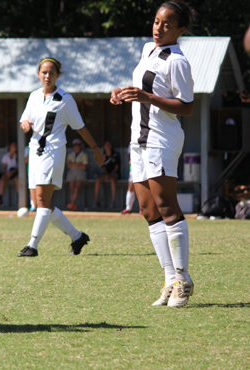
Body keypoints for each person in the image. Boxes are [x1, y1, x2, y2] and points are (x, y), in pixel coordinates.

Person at [111, 0, 196, 307]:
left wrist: (148, 97)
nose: (159, 28)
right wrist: (123, 92)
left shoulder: (177, 61)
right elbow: (143, 87)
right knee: (147, 209)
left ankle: (183, 280)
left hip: (162, 138)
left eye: (167, 24)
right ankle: (169, 279)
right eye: (157, 21)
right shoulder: (149, 49)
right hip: (139, 139)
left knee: (166, 205)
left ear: (181, 30)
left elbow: (187, 106)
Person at [17, 57, 104, 258]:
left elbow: (80, 127)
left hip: (53, 152)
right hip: (35, 151)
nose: (47, 76)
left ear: (58, 75)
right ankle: (77, 236)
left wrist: (96, 149)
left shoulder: (65, 99)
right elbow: (24, 120)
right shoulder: (34, 96)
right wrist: (25, 125)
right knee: (40, 203)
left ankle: (32, 246)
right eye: (44, 72)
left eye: (51, 73)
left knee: (42, 200)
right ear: (38, 74)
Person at [94, 140, 120, 210]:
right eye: (106, 145)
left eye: (109, 145)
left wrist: (110, 175)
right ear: (104, 147)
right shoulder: (103, 155)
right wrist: (106, 174)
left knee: (112, 180)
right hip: (106, 174)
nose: (107, 146)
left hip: (114, 174)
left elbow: (116, 168)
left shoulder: (115, 155)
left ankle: (113, 201)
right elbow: (104, 168)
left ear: (111, 146)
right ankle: (96, 201)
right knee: (98, 180)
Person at [65, 138, 88, 211]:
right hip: (71, 172)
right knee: (71, 188)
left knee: (76, 187)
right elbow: (68, 165)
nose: (77, 146)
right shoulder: (70, 154)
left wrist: (73, 164)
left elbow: (84, 167)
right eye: (75, 145)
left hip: (81, 172)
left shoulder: (84, 155)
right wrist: (78, 164)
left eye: (78, 145)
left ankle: (72, 203)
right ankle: (72, 204)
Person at [0, 141, 19, 207]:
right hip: (8, 172)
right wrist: (7, 173)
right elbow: (4, 168)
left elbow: (20, 167)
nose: (14, 147)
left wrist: (13, 172)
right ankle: (0, 200)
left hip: (15, 172)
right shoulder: (6, 156)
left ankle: (19, 198)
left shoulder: (18, 156)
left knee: (18, 180)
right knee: (2, 180)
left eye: (15, 146)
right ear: (10, 147)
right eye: (13, 145)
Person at [121, 143, 137, 214]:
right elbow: (129, 155)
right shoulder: (131, 144)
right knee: (131, 187)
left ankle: (143, 208)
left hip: (144, 167)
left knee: (144, 187)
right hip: (133, 168)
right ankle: (128, 208)